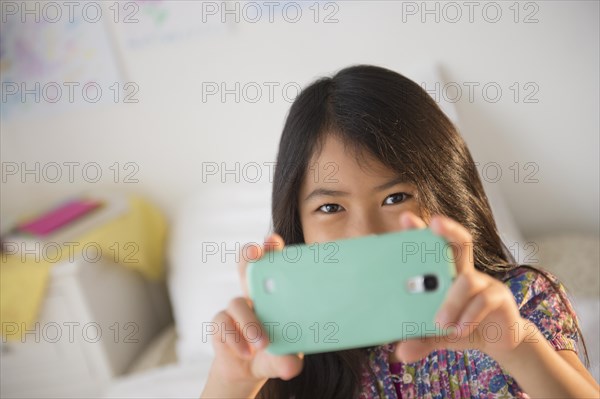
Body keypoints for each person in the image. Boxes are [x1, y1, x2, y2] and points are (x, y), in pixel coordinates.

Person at [200, 65, 599, 398]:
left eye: (395, 198)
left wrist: (517, 346)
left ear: (445, 193)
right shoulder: (290, 344)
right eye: (330, 207)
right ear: (298, 225)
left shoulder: (516, 303)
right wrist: (231, 381)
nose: (366, 233)